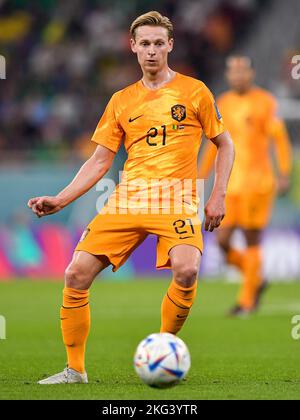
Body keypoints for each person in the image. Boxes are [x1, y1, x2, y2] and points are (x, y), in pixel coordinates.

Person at [28, 11, 234, 384]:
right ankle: (74, 371)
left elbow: (225, 144)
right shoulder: (121, 100)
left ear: (170, 45)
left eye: (159, 43)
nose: (152, 51)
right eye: (145, 44)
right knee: (75, 274)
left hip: (177, 198)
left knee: (186, 270)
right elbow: (100, 160)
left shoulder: (195, 91)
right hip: (129, 198)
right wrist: (61, 199)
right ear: (133, 47)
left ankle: (165, 349)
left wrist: (218, 194)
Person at [199, 55, 292, 316]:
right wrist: (201, 175)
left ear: (251, 74)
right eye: (233, 71)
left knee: (252, 239)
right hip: (229, 184)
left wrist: (284, 172)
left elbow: (280, 140)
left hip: (257, 183)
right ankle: (256, 279)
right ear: (228, 76)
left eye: (242, 70)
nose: (237, 75)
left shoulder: (265, 102)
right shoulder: (224, 104)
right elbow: (213, 142)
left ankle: (247, 301)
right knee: (223, 242)